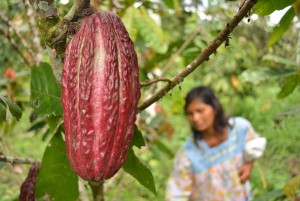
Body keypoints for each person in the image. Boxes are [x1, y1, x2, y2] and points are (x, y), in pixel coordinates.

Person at [166, 86, 266, 201]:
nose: (195, 118)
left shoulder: (239, 129)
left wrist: (249, 164)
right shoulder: (188, 153)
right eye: (190, 114)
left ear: (214, 107)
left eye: (200, 110)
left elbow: (254, 146)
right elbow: (176, 193)